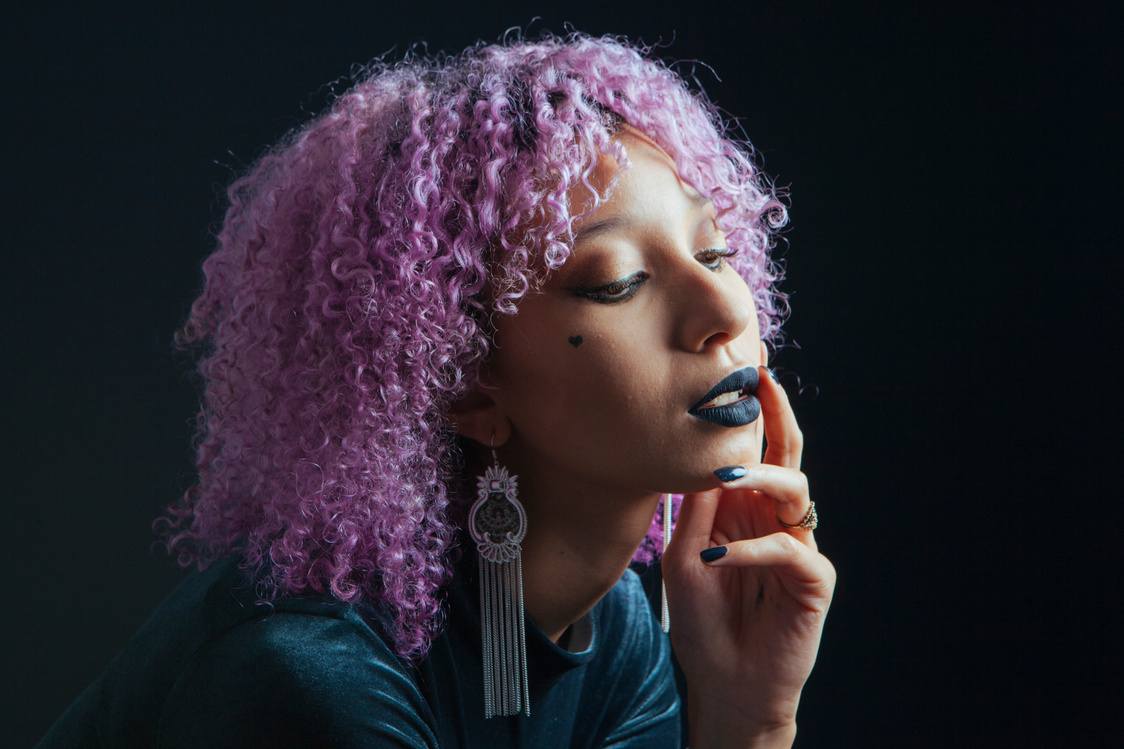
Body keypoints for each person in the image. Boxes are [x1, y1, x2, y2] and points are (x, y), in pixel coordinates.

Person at [39, 32, 834, 748]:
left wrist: (748, 720)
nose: (727, 311)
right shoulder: (310, 682)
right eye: (619, 282)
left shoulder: (623, 632)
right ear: (465, 390)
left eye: (718, 252)